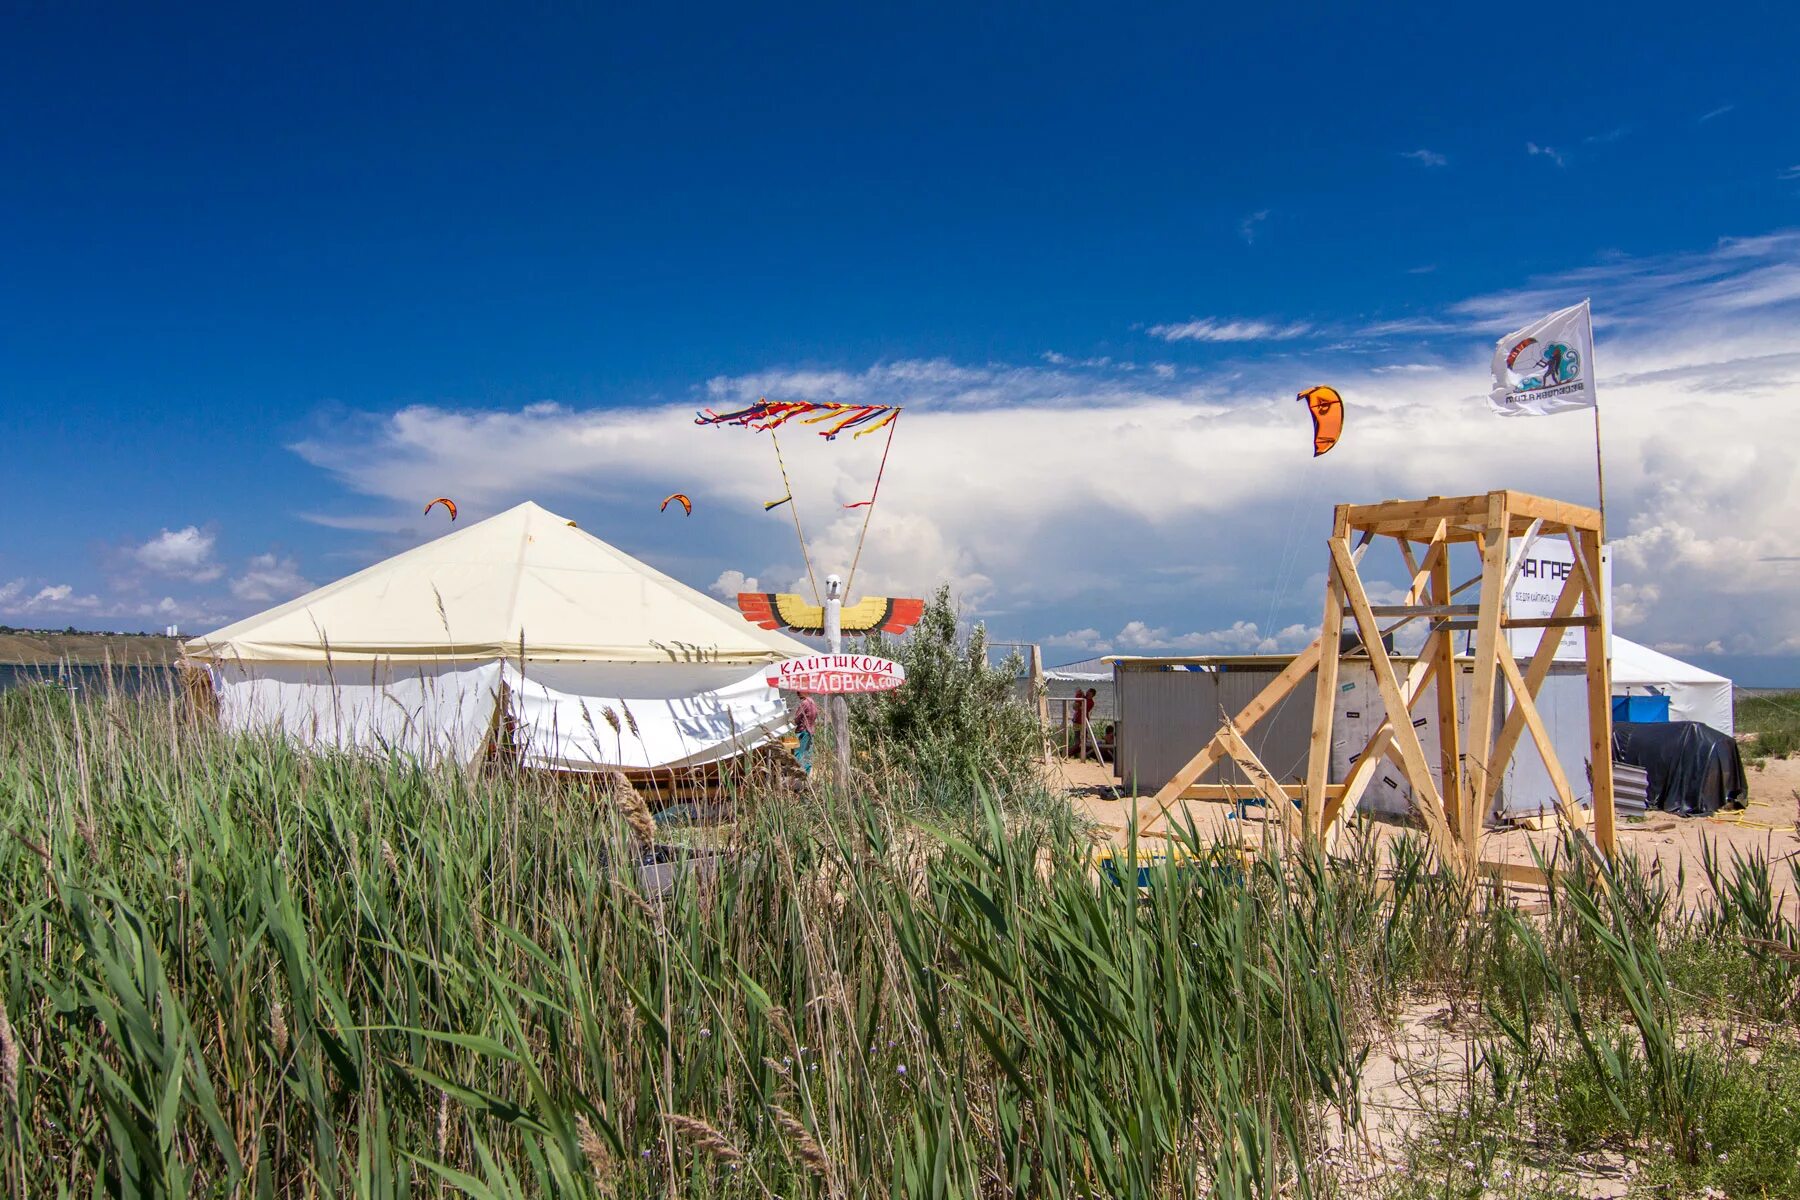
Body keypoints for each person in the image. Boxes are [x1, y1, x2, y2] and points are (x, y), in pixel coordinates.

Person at [793, 692, 818, 774]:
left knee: (798, 754)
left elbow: (797, 719)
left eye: (799, 692)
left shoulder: (804, 703)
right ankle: (806, 775)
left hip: (803, 731)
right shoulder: (812, 702)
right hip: (810, 731)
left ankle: (799, 775)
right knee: (807, 755)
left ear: (804, 691)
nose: (797, 694)